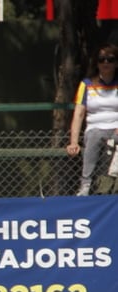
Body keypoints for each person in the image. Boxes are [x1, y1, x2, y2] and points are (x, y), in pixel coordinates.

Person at [66, 44, 118, 196]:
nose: (106, 63)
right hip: (95, 128)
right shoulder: (86, 84)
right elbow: (79, 114)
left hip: (116, 128)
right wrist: (73, 142)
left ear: (116, 63)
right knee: (94, 136)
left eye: (110, 59)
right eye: (102, 59)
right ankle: (85, 184)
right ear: (97, 63)